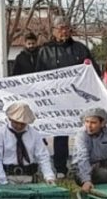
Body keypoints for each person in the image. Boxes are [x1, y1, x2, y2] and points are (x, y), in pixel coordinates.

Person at [37, 16, 94, 178]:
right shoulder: (45, 51)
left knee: (83, 132)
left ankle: (83, 165)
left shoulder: (80, 49)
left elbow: (92, 72)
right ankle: (60, 168)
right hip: (57, 100)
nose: (64, 31)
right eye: (60, 28)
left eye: (66, 28)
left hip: (78, 99)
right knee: (60, 133)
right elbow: (38, 76)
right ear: (54, 31)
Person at [0, 101, 56, 185]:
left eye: (22, 124)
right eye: (16, 122)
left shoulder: (35, 135)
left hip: (29, 177)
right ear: (10, 119)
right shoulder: (0, 135)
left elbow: (43, 156)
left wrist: (49, 176)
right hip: (8, 177)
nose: (19, 126)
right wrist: (2, 180)